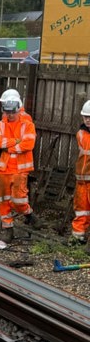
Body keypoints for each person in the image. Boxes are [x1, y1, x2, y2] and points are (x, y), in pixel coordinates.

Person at [0, 94, 39, 244]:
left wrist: (9, 147)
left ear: (19, 110)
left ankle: (28, 213)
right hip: (3, 169)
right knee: (3, 200)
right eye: (7, 112)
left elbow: (28, 144)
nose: (10, 115)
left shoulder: (27, 125)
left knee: (18, 200)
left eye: (12, 112)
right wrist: (16, 141)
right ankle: (7, 229)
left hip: (20, 169)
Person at [70, 100, 90, 251]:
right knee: (81, 210)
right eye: (85, 117)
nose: (87, 120)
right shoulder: (81, 134)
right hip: (82, 179)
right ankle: (78, 238)